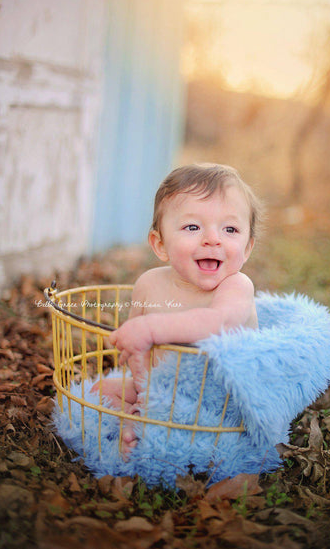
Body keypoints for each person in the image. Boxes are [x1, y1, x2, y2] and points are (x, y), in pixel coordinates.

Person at [92, 163, 263, 457]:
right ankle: (131, 427)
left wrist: (150, 330)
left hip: (216, 402)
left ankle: (152, 432)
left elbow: (216, 322)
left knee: (195, 424)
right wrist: (141, 385)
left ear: (247, 248)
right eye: (192, 227)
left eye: (230, 229)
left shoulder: (237, 287)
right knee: (100, 393)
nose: (213, 238)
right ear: (160, 245)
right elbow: (137, 348)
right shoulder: (148, 283)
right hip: (159, 388)